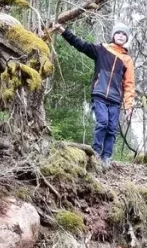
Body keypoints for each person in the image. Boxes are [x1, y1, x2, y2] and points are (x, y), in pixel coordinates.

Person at [55, 22, 136, 166]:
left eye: (124, 34)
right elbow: (81, 45)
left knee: (112, 128)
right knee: (102, 122)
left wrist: (128, 105)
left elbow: (129, 84)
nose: (121, 36)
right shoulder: (102, 49)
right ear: (113, 35)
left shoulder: (127, 60)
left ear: (127, 38)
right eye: (118, 33)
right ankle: (96, 153)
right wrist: (63, 31)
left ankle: (107, 157)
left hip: (115, 99)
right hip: (99, 94)